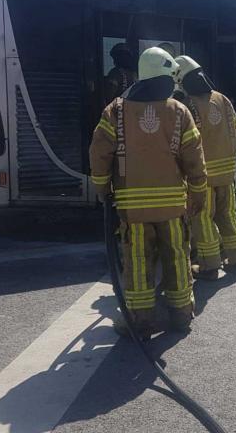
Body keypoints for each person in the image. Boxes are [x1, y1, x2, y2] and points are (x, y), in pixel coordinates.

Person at [89, 47, 208, 337]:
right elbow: (195, 157)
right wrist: (198, 193)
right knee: (178, 258)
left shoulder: (115, 111)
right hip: (172, 208)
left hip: (135, 211)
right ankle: (180, 315)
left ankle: (141, 321)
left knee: (138, 263)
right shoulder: (178, 111)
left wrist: (102, 188)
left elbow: (99, 154)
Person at [174, 55, 236, 280]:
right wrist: (229, 157)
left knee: (202, 219)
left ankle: (209, 265)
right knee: (228, 215)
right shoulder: (222, 99)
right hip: (227, 173)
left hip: (203, 176)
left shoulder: (190, 105)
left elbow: (188, 143)